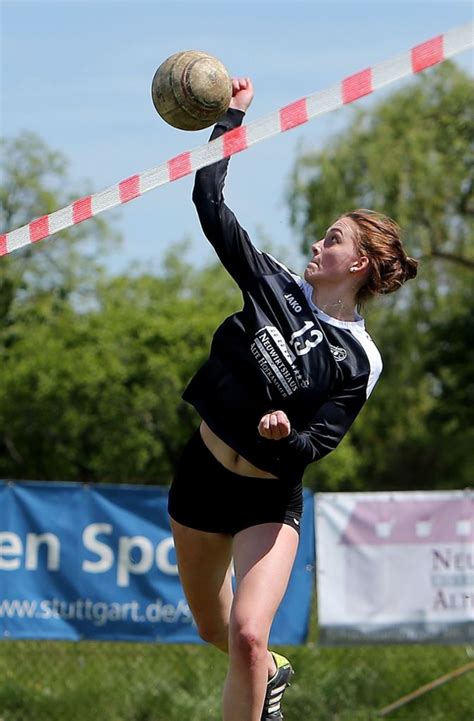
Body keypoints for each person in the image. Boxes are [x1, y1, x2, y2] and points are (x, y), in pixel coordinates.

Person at [168, 77, 418, 721]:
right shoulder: (273, 286)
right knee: (211, 630)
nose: (316, 244)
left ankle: (262, 668)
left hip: (266, 497)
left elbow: (320, 444)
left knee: (249, 633)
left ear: (358, 265)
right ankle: (271, 673)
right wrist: (231, 119)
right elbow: (208, 199)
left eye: (333, 239)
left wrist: (287, 438)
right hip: (201, 476)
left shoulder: (361, 359)